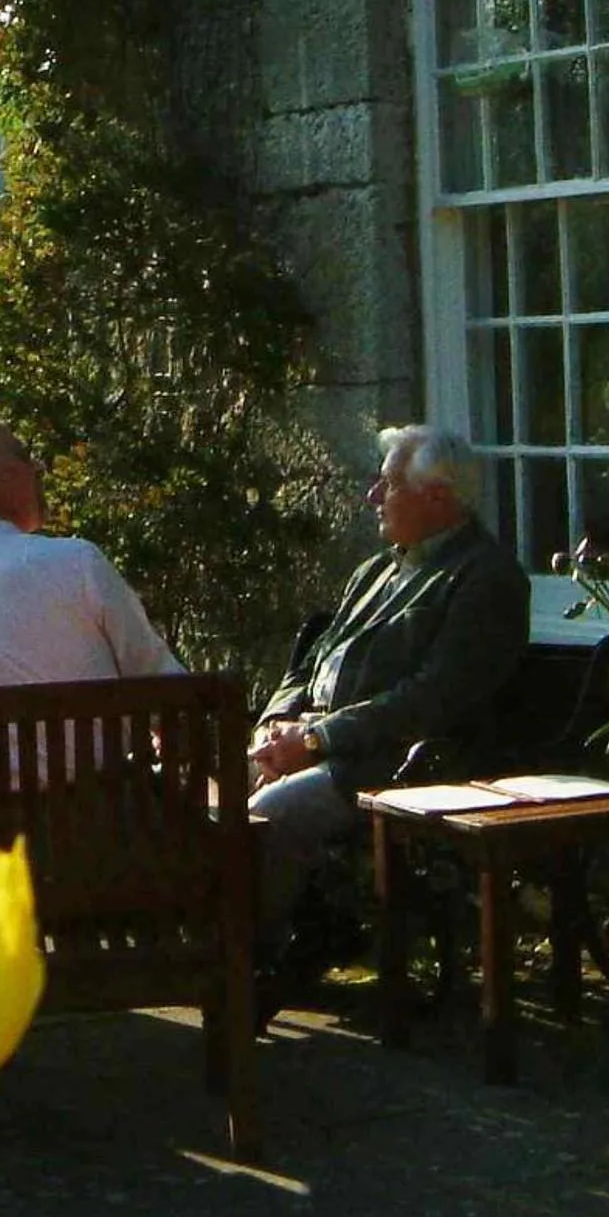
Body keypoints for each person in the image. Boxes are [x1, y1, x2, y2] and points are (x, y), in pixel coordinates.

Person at [248, 422, 530, 1002]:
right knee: (204, 787)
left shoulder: (485, 578)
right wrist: (272, 726)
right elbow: (308, 663)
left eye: (387, 485)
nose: (373, 497)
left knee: (268, 816)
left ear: (438, 497)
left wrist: (318, 739)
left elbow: (431, 697)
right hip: (318, 743)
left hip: (392, 762)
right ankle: (230, 943)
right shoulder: (377, 570)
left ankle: (251, 961)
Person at [0, 409, 182, 690]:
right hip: (95, 745)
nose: (38, 467)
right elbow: (168, 691)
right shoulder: (77, 564)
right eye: (22, 454)